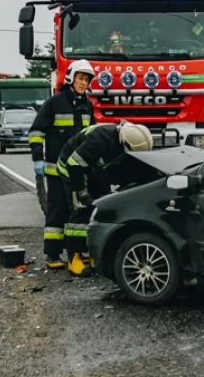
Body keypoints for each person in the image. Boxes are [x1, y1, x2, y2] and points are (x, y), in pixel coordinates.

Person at [56, 121, 154, 277]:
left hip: (93, 168)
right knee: (81, 210)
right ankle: (74, 257)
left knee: (102, 206)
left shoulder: (131, 138)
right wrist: (82, 192)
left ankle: (91, 253)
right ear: (124, 143)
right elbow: (74, 165)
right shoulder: (101, 138)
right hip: (72, 168)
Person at [29, 60, 96, 270]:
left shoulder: (87, 105)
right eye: (80, 78)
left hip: (77, 170)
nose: (83, 83)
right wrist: (38, 158)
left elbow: (90, 135)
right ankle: (52, 254)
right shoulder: (54, 103)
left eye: (86, 80)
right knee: (57, 210)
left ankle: (75, 252)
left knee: (77, 211)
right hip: (55, 169)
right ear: (71, 78)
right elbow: (36, 132)